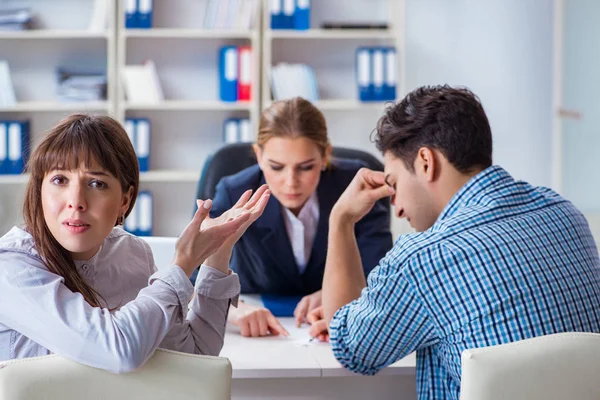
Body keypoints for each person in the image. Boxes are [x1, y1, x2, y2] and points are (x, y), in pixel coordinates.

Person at [307, 85, 600, 399]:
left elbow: (353, 348)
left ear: (425, 162)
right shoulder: (563, 211)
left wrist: (340, 219)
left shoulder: (422, 259)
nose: (396, 204)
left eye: (393, 183)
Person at [0, 114, 271, 372]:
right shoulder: (10, 268)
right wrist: (181, 265)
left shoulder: (132, 254)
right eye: (60, 180)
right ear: (39, 192)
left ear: (125, 201)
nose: (76, 201)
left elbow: (193, 357)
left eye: (96, 183)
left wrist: (218, 251)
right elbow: (116, 351)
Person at [209, 97, 392, 337]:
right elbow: (190, 277)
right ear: (259, 155)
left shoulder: (353, 186)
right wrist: (233, 310)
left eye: (306, 167)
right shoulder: (234, 191)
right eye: (276, 167)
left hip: (330, 327)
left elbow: (381, 275)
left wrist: (333, 293)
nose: (291, 181)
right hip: (258, 326)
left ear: (325, 155)